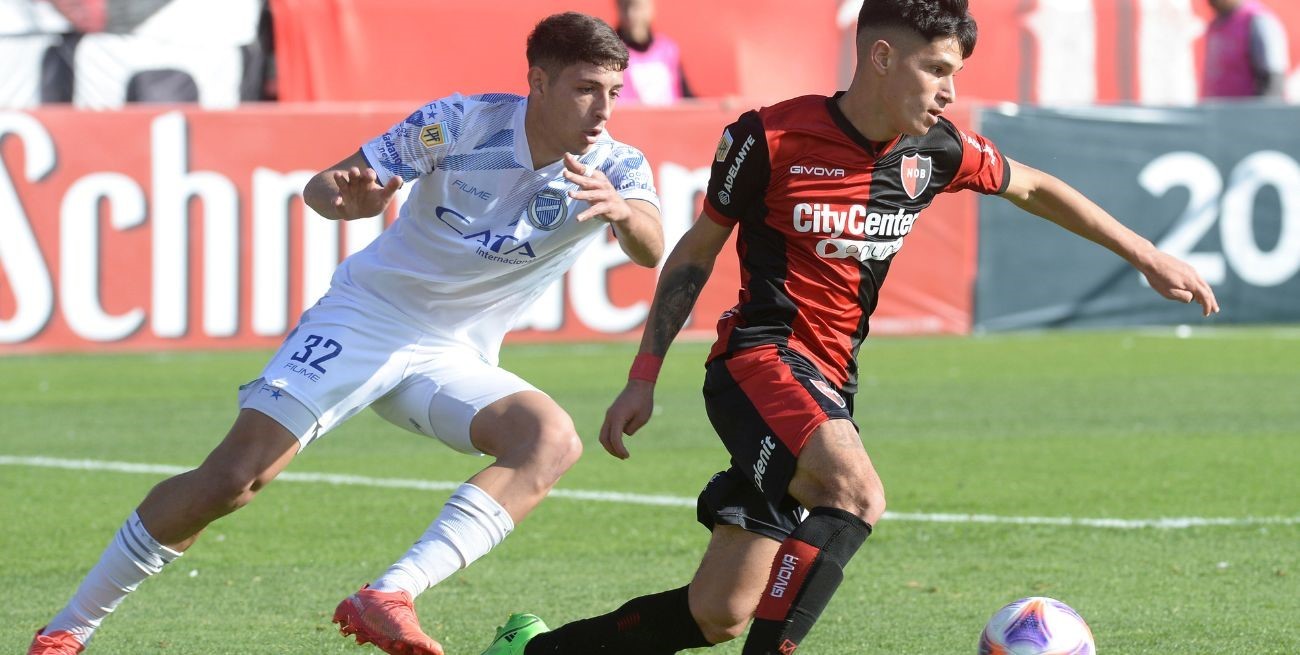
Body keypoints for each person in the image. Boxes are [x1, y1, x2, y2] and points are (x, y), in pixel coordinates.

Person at [479, 1, 1220, 653]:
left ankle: (532, 651)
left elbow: (1034, 186)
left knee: (718, 612)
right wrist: (642, 377)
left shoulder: (935, 150)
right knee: (858, 493)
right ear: (881, 56)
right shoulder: (770, 138)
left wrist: (1144, 253)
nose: (950, 91)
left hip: (829, 386)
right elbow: (694, 255)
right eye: (936, 69)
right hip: (757, 363)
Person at [28, 12, 663, 655]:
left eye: (613, 91)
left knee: (549, 440)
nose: (604, 108)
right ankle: (65, 631)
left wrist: (622, 214)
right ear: (538, 81)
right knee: (232, 480)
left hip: (453, 356)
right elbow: (326, 185)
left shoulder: (617, 165)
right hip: (368, 317)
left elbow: (652, 245)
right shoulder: (464, 121)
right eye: (586, 89)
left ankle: (387, 595)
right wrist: (349, 200)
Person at [1202, 0, 1291, 99]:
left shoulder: (1258, 20)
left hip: (1246, 112)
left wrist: (1263, 113)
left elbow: (1273, 82)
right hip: (1217, 111)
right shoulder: (1216, 23)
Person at [615, 0, 694, 105]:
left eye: (638, 8)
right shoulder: (612, 52)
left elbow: (688, 99)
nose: (632, 15)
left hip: (670, 119)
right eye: (625, 8)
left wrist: (718, 108)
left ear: (650, 8)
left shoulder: (668, 49)